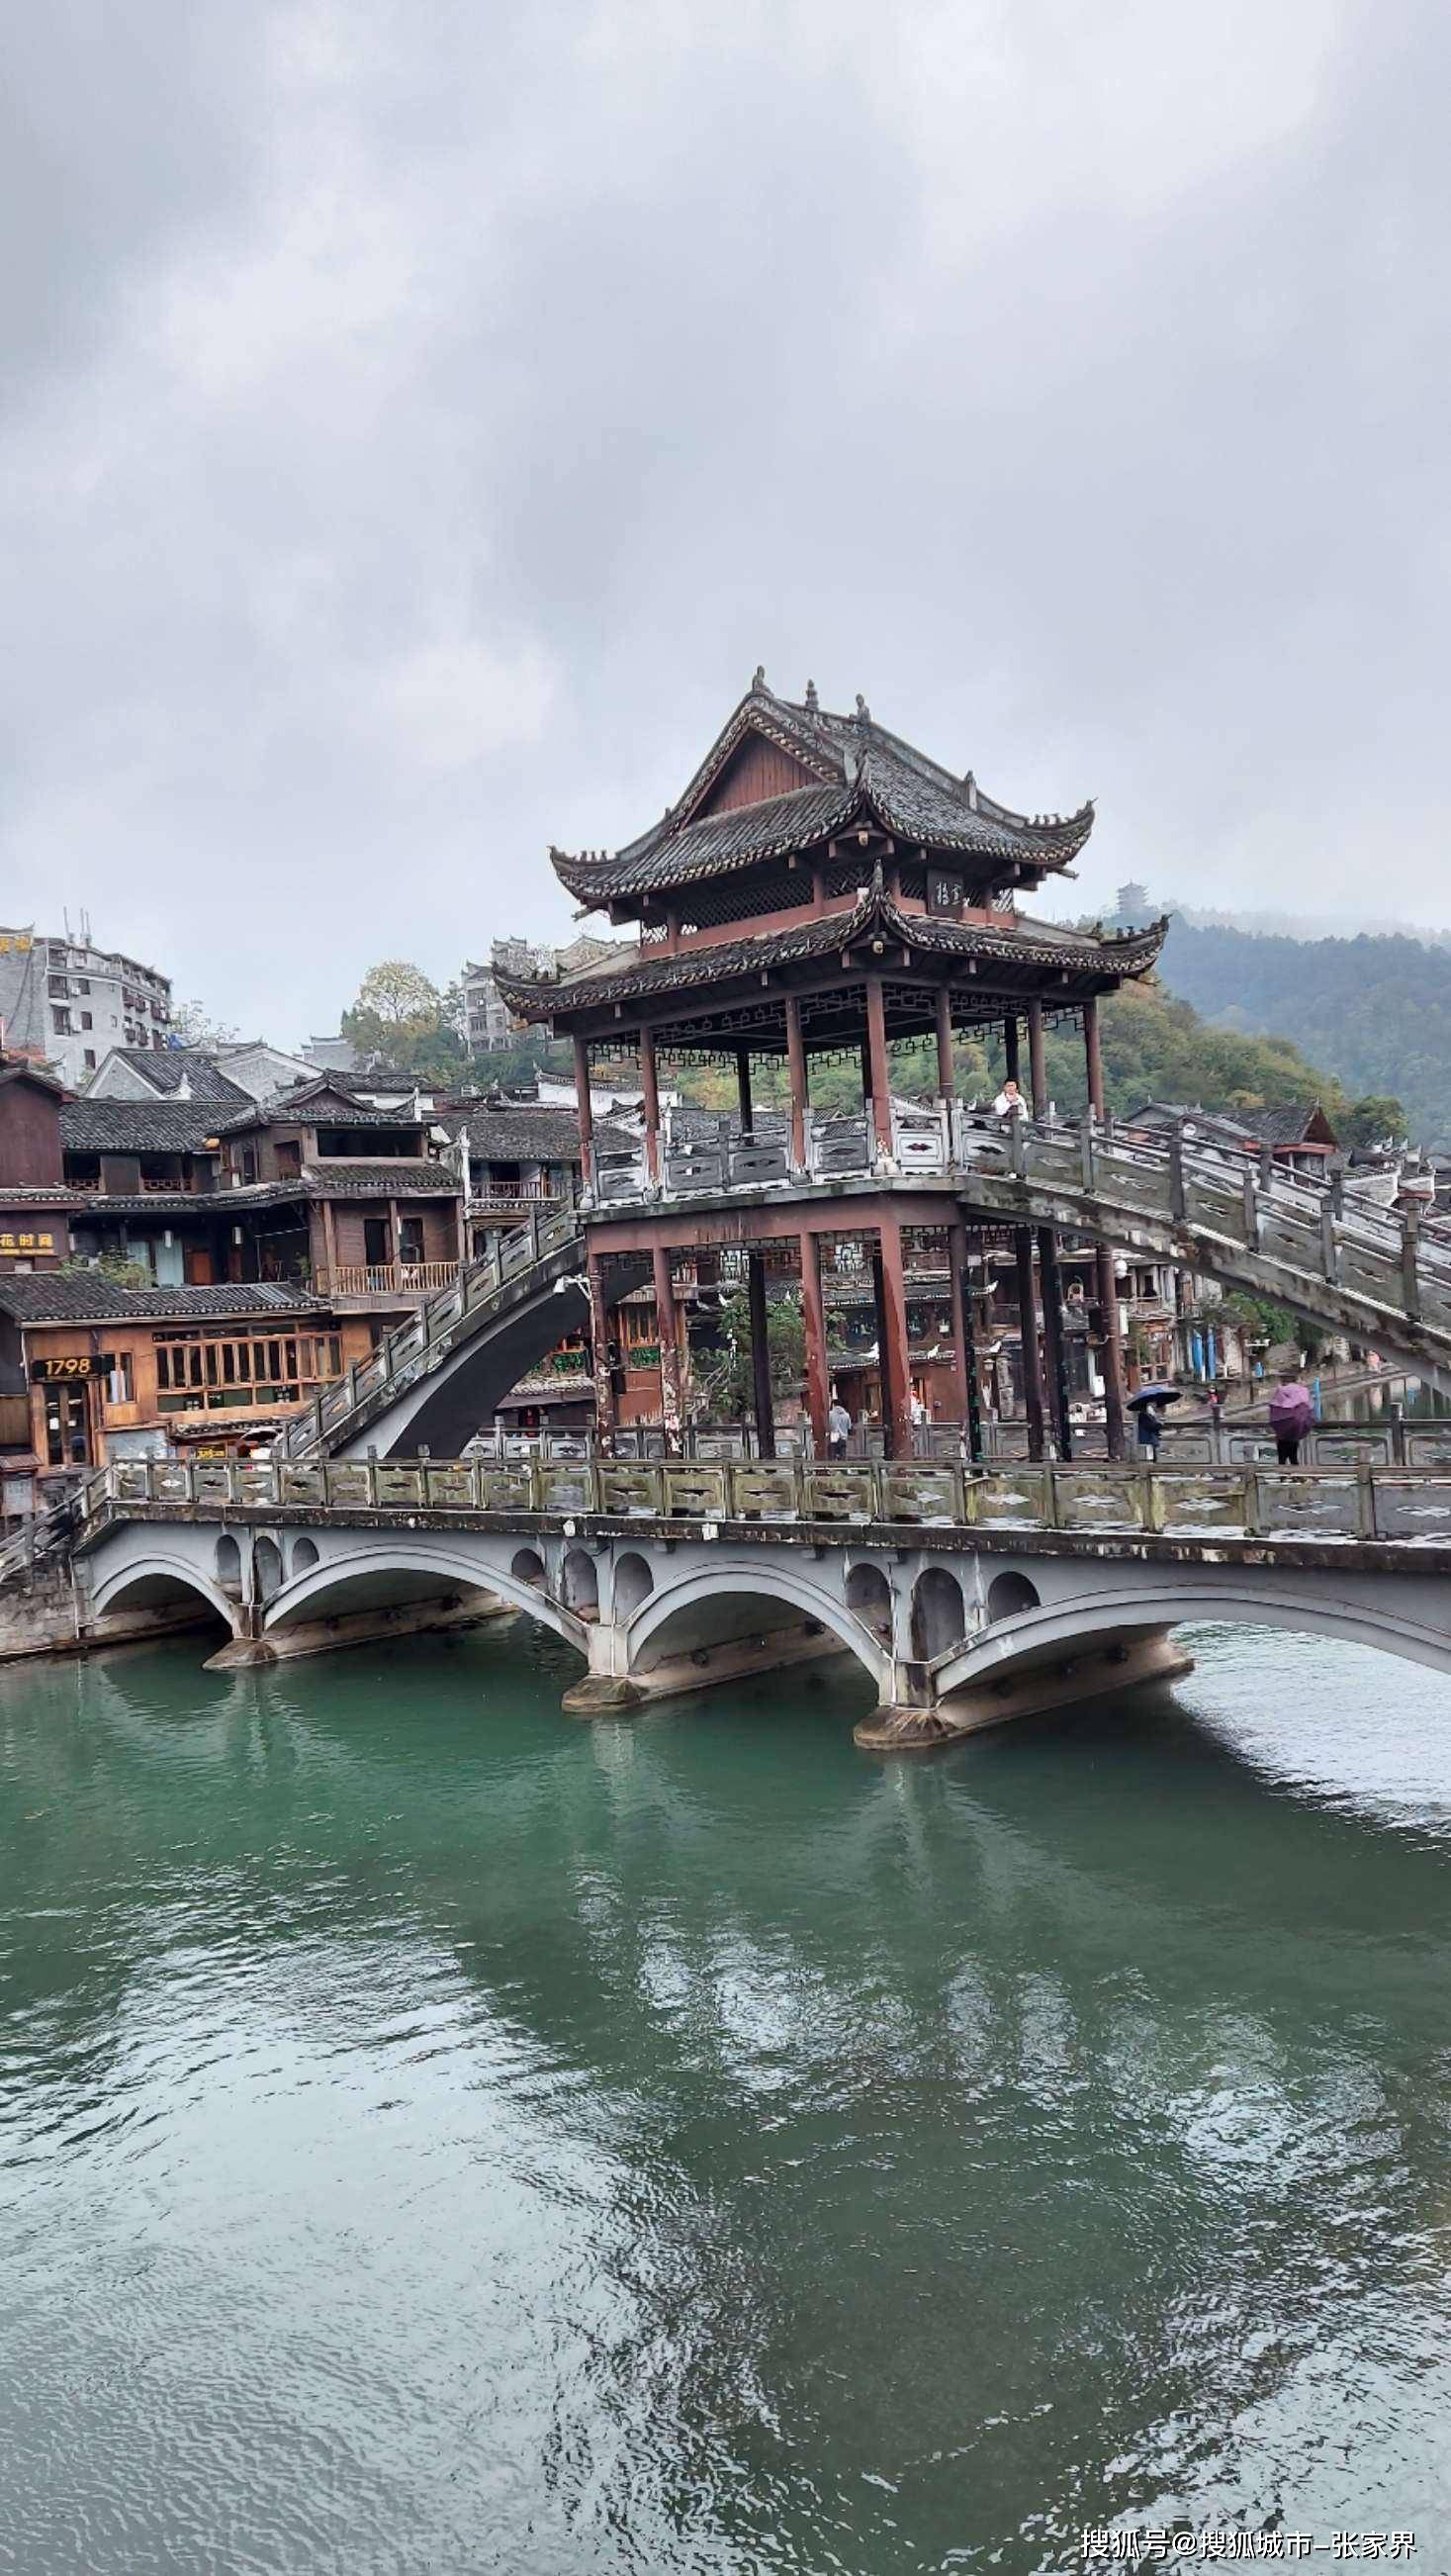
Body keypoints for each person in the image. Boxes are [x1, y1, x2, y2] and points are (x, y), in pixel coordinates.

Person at [1268, 1367, 1314, 1467]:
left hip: (1283, 1431)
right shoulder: (1302, 1390)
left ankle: (1283, 1477)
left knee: (1282, 1458)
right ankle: (1296, 1476)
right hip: (1296, 1431)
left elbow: (1277, 1407)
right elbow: (1307, 1405)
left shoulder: (1282, 1390)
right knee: (1293, 1457)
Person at [827, 1396, 852, 1460]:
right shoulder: (847, 1415)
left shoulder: (830, 1414)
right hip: (843, 1437)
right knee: (843, 1455)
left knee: (832, 1455)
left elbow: (828, 1425)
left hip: (834, 1436)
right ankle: (843, 1469)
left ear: (833, 1405)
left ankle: (833, 1469)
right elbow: (849, 1427)